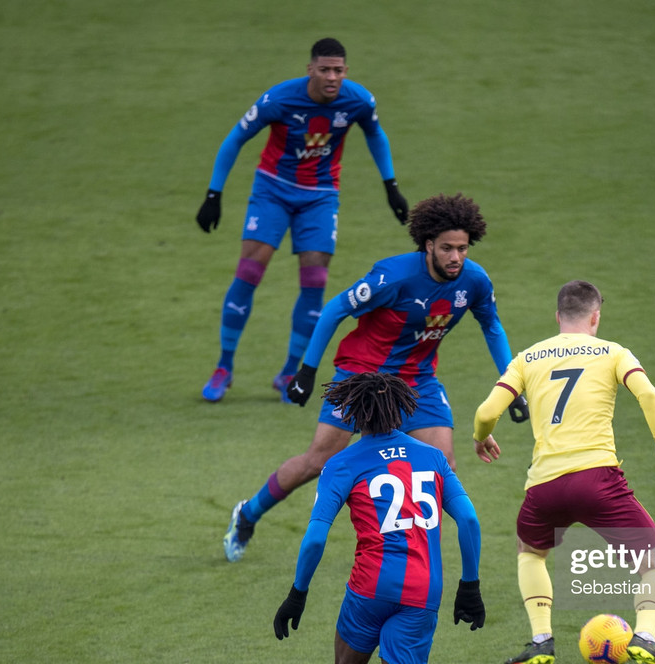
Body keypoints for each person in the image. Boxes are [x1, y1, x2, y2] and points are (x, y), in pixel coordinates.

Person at [222, 192, 528, 562]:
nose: (455, 257)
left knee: (441, 463)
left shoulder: (474, 281)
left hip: (418, 381)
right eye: (447, 248)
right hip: (362, 377)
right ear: (428, 245)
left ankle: (422, 560)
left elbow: (492, 326)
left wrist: (513, 386)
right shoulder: (393, 276)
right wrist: (307, 370)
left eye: (462, 248)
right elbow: (335, 309)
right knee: (319, 462)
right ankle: (248, 513)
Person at [273, 372, 486, 664]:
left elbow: (314, 539)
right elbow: (468, 521)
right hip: (421, 591)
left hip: (368, 588)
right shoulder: (432, 457)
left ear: (353, 412)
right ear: (403, 408)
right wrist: (471, 585)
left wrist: (298, 593)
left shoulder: (343, 463)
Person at [471, 280, 655, 664]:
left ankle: (541, 639)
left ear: (558, 318)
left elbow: (487, 410)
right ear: (595, 317)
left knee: (531, 551)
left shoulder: (528, 358)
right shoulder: (614, 353)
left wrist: (480, 435)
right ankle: (645, 636)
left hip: (544, 487)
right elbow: (650, 396)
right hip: (598, 481)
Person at [195, 37, 410, 403]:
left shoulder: (358, 101)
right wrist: (214, 194)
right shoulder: (279, 99)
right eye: (324, 69)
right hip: (273, 190)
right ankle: (224, 366)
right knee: (249, 272)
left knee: (315, 280)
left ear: (346, 71)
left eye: (338, 70)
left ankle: (289, 372)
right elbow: (235, 138)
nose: (332, 77)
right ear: (309, 69)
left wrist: (391, 186)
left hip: (321, 196)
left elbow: (376, 134)